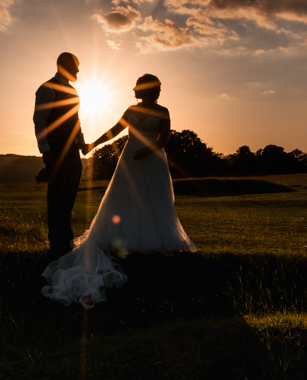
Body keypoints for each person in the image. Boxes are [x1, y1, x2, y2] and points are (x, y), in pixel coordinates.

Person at [41, 73, 196, 308]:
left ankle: (154, 237)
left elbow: (165, 139)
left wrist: (148, 150)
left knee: (154, 197)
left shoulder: (163, 111)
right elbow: (115, 131)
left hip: (152, 158)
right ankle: (124, 237)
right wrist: (92, 145)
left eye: (142, 88)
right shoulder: (131, 110)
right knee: (127, 197)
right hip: (131, 158)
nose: (138, 92)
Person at [33, 52, 88, 259]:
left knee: (69, 196)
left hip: (73, 151)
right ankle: (56, 243)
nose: (78, 71)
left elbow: (76, 120)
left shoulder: (74, 92)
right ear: (64, 65)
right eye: (76, 66)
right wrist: (46, 151)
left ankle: (66, 238)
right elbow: (40, 120)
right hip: (56, 150)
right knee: (56, 196)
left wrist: (82, 144)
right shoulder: (46, 89)